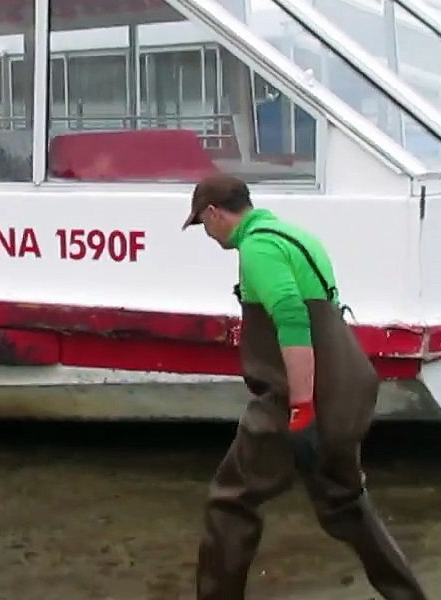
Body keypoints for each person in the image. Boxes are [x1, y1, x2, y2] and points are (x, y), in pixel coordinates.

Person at [181, 173, 427, 600]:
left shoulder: (257, 248)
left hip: (297, 398)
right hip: (346, 390)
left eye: (202, 223)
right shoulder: (296, 236)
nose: (206, 232)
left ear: (214, 213)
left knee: (231, 501)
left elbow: (293, 321)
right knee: (345, 503)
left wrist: (300, 409)